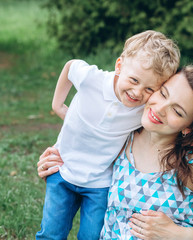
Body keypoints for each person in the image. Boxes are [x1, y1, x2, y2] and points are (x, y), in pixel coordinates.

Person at [38, 65, 193, 239]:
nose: (160, 108)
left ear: (189, 127)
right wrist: (57, 161)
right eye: (162, 93)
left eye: (177, 111)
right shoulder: (123, 138)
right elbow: (86, 156)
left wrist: (179, 234)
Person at [35, 30, 180, 240]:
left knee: (92, 236)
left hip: (100, 183)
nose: (137, 92)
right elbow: (70, 66)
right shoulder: (91, 79)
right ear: (119, 66)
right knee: (51, 233)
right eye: (134, 80)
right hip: (62, 168)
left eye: (149, 88)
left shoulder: (142, 110)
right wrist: (58, 105)